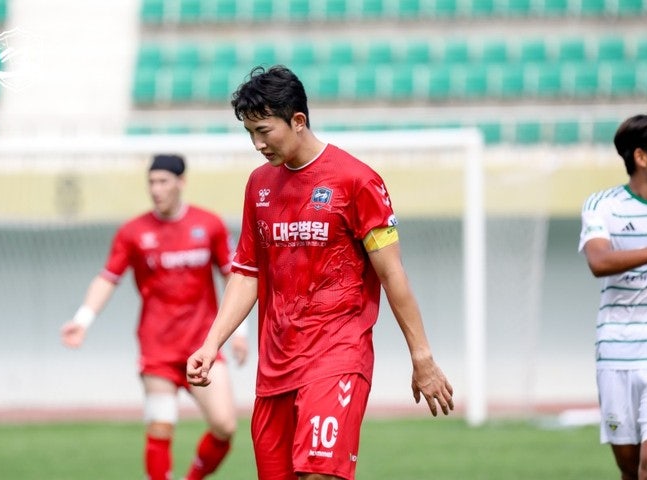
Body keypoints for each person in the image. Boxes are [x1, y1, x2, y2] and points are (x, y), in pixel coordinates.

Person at [186, 65, 454, 480]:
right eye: (250, 133)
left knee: (319, 474)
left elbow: (392, 274)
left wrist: (422, 356)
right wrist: (211, 342)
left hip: (337, 355)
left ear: (298, 120)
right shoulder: (258, 185)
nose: (257, 144)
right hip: (275, 366)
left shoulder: (357, 181)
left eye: (264, 131)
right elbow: (247, 272)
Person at [61, 154, 248, 480]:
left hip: (202, 346)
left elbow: (234, 278)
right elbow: (108, 278)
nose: (156, 189)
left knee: (225, 425)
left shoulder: (209, 225)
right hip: (157, 346)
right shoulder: (133, 232)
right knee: (160, 427)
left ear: (181, 182)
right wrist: (83, 319)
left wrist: (240, 333)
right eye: (151, 182)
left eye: (163, 181)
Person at [579, 110, 647, 480]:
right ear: (641, 156)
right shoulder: (602, 206)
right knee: (631, 469)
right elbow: (598, 261)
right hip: (617, 355)